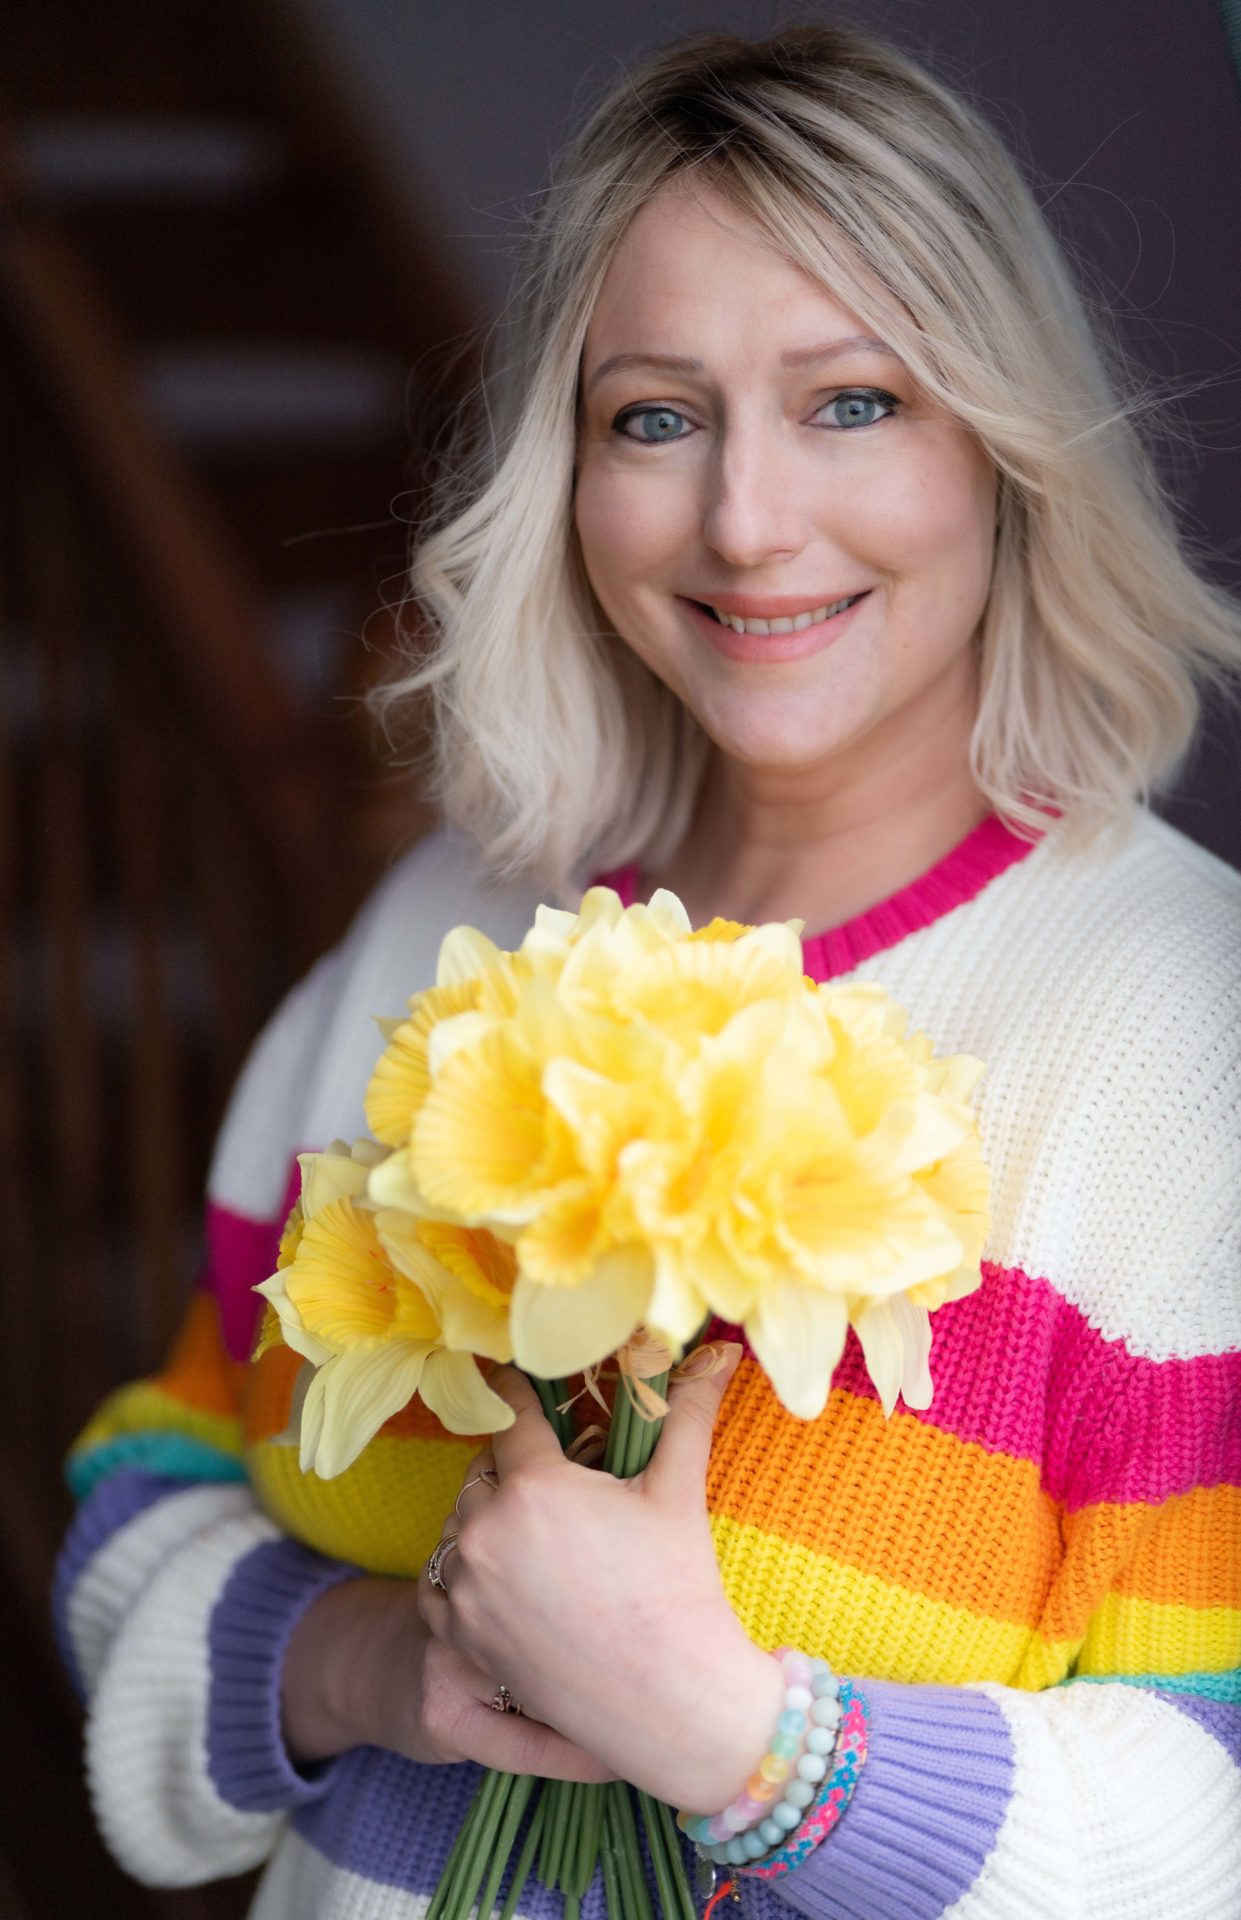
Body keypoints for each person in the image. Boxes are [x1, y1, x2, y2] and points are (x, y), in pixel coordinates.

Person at [54, 25, 1241, 1918]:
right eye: (655, 416)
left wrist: (734, 1742)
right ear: (569, 469)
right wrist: (379, 1663)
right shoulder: (428, 932)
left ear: (1004, 450)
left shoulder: (1187, 1018)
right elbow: (151, 1498)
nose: (747, 523)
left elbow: (1217, 1811)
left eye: (853, 402)